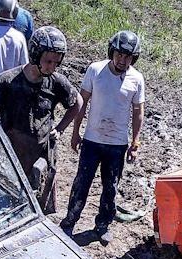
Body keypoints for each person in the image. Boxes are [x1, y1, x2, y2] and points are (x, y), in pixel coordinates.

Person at [0, 26, 82, 213]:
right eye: (48, 61)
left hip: (41, 156)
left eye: (56, 63)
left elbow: (77, 102)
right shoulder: (8, 81)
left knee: (38, 206)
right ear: (35, 54)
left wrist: (60, 129)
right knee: (9, 204)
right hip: (12, 156)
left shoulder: (56, 82)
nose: (51, 67)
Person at [59, 30, 145, 245]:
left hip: (117, 145)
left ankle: (103, 225)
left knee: (111, 187)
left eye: (128, 57)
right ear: (112, 52)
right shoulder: (95, 70)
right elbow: (82, 102)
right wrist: (75, 132)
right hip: (92, 140)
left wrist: (135, 143)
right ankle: (69, 222)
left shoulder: (137, 79)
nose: (122, 60)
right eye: (119, 55)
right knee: (82, 183)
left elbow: (138, 112)